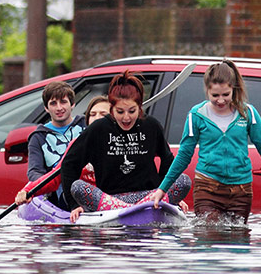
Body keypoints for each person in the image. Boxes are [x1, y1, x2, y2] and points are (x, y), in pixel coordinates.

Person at [151, 59, 261, 223]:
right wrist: (163, 189)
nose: (220, 100)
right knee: (209, 235)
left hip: (241, 190)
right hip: (207, 186)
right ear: (207, 90)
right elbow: (184, 155)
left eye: (225, 95)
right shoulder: (196, 114)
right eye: (215, 95)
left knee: (237, 241)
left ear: (233, 90)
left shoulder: (247, 113)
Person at [61, 70, 191, 222]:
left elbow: (167, 161)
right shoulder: (98, 129)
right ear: (111, 109)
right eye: (120, 111)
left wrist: (165, 194)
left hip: (149, 195)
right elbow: (69, 164)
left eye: (132, 111)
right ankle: (133, 211)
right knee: (77, 186)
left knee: (183, 180)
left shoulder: (151, 126)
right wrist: (73, 204)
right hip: (110, 200)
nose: (126, 117)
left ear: (140, 107)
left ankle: (140, 208)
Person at [14, 95, 110, 205]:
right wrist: (28, 191)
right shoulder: (77, 144)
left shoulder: (126, 142)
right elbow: (55, 176)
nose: (97, 118)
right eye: (93, 115)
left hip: (115, 196)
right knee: (76, 186)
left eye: (103, 115)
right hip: (82, 200)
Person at [25, 81, 86, 210]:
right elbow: (34, 171)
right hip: (58, 189)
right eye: (53, 103)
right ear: (46, 108)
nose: (59, 108)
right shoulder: (38, 137)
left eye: (63, 102)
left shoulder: (85, 125)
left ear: (72, 104)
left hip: (88, 180)